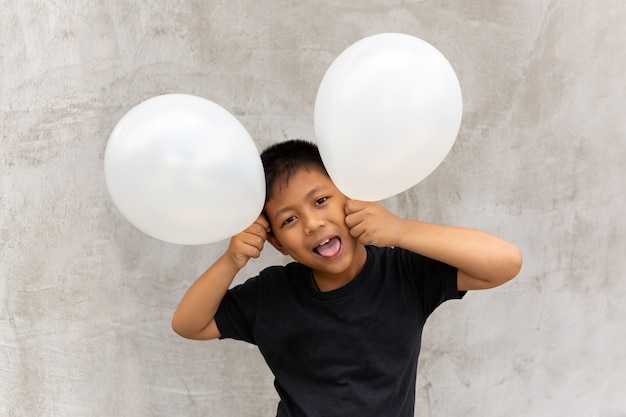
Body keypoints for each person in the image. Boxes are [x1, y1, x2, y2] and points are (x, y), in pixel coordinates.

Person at [172, 139, 522, 417]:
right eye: (289, 220)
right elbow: (189, 324)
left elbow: (505, 262)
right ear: (276, 242)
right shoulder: (271, 294)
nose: (312, 223)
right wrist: (232, 260)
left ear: (350, 198)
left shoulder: (404, 272)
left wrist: (400, 230)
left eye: (321, 200)